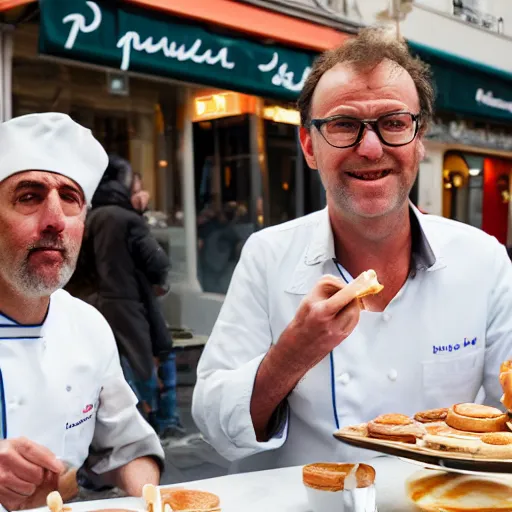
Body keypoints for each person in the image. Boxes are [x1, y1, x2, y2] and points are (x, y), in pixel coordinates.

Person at [192, 27, 512, 471]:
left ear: (420, 140)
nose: (370, 147)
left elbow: (506, 413)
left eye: (394, 123)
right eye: (344, 125)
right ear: (309, 145)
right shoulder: (267, 256)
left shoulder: (484, 261)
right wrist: (292, 354)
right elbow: (214, 422)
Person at [0, 113, 164, 511]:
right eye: (29, 196)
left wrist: (149, 501)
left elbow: (127, 447)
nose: (55, 221)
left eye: (70, 199)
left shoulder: (88, 325)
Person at [69, 155, 184, 439]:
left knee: (117, 366)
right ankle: (160, 420)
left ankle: (129, 426)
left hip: (93, 304)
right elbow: (157, 262)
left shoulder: (89, 217)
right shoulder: (126, 218)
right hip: (128, 305)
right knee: (153, 356)